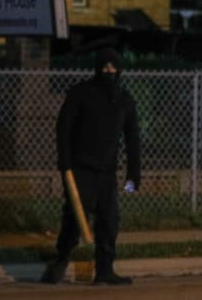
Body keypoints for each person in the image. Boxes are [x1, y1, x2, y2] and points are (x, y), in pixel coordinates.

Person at [42, 48, 142, 285]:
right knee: (75, 219)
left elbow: (132, 138)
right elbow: (64, 127)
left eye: (113, 67)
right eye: (105, 67)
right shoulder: (81, 93)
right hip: (80, 169)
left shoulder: (124, 100)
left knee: (109, 221)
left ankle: (105, 270)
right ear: (97, 68)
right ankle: (61, 260)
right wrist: (64, 162)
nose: (109, 71)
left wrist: (133, 175)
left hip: (107, 173)